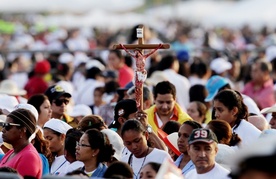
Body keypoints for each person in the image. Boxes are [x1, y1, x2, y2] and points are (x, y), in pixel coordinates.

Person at [0, 108, 42, 178]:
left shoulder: (29, 157)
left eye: (8, 126)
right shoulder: (12, 152)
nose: (3, 130)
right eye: (3, 125)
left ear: (22, 130)